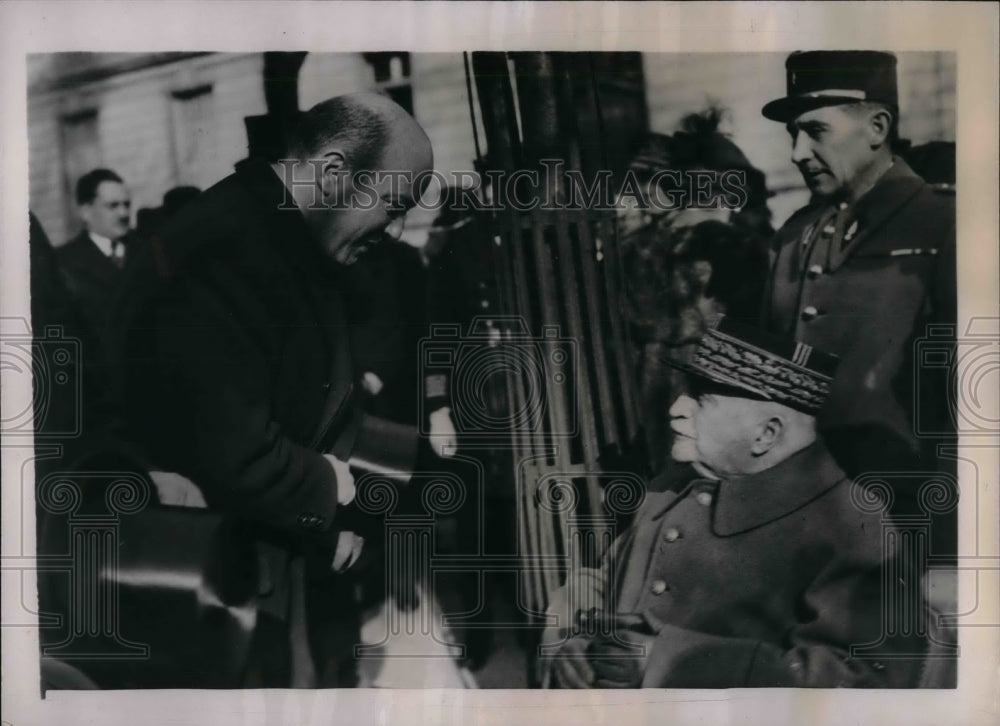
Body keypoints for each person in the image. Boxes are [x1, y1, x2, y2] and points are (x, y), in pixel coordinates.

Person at [113, 92, 434, 686]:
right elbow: (232, 447)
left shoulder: (274, 232)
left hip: (251, 562)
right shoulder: (225, 252)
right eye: (393, 206)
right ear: (333, 172)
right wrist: (329, 487)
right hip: (207, 581)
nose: (394, 230)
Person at [540, 316, 929, 688]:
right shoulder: (674, 484)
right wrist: (571, 637)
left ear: (765, 435)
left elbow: (865, 680)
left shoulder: (849, 522)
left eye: (701, 399)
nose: (676, 409)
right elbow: (609, 579)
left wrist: (670, 664)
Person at [758, 51, 956, 555]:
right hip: (802, 512)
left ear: (877, 127)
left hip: (906, 516)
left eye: (816, 131)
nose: (798, 153)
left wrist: (951, 543)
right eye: (793, 135)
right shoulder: (795, 234)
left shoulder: (944, 224)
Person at [54, 168, 135, 360]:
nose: (124, 213)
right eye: (113, 206)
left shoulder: (147, 251)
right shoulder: (63, 262)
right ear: (86, 211)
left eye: (126, 204)